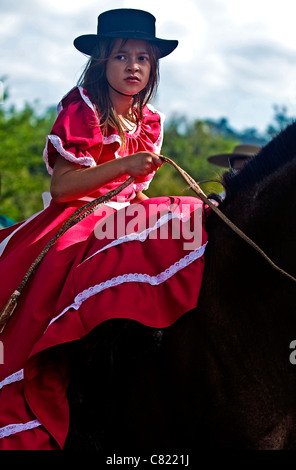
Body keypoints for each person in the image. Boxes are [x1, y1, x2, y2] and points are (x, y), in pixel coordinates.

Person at [0, 9, 207, 450]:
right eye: (122, 56)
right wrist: (126, 164)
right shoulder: (81, 109)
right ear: (101, 61)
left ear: (152, 68)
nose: (134, 66)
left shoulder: (149, 121)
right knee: (59, 265)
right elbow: (62, 188)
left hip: (122, 215)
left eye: (143, 59)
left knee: (189, 216)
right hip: (77, 214)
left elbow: (134, 196)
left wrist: (161, 211)